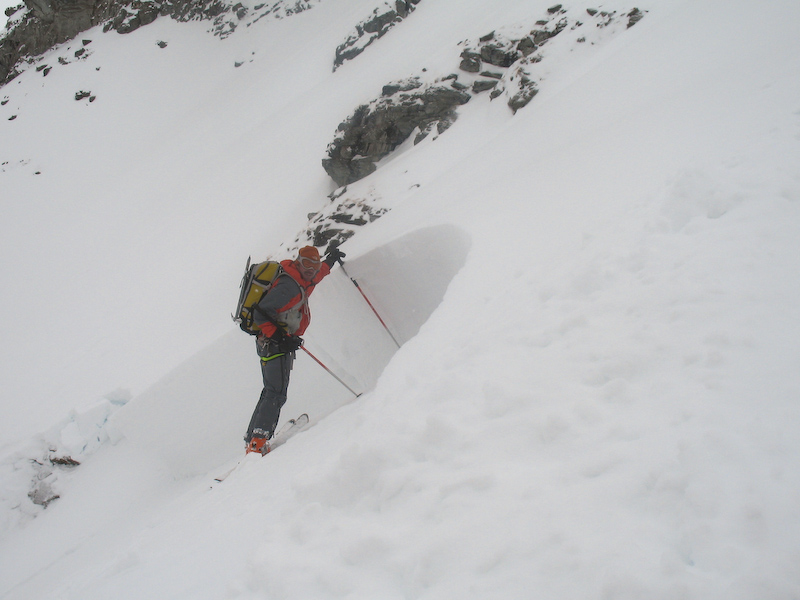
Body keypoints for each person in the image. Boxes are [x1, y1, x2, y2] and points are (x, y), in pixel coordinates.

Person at [244, 245, 344, 454]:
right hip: (274, 344)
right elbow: (261, 314)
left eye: (314, 265)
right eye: (307, 264)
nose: (311, 269)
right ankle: (257, 443)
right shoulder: (288, 285)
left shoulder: (301, 280)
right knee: (276, 394)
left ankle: (253, 438)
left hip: (274, 342)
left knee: (271, 390)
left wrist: (329, 262)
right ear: (298, 261)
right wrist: (281, 337)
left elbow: (313, 280)